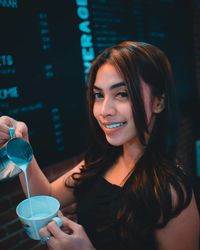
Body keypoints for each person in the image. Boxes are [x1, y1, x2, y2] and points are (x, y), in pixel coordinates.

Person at [0, 41, 199, 250]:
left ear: (159, 102)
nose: (104, 110)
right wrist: (22, 147)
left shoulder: (169, 190)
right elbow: (46, 196)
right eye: (99, 95)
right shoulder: (102, 160)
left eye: (122, 94)